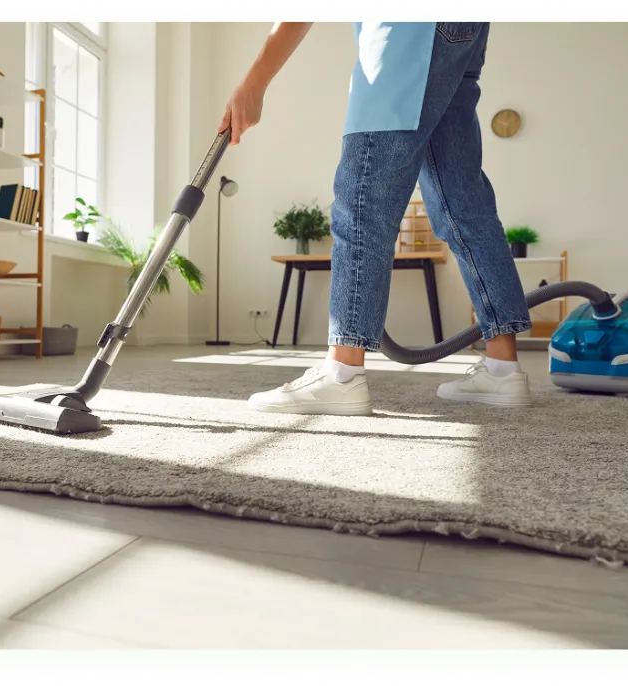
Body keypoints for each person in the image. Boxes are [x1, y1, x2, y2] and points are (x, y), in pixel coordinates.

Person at [219, 21, 533, 414]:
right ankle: (502, 370)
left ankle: (342, 376)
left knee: (362, 203)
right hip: (462, 28)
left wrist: (254, 83)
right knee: (463, 204)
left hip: (407, 31)